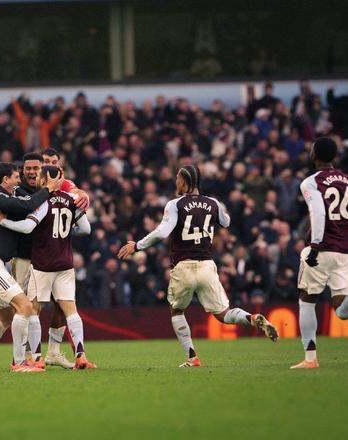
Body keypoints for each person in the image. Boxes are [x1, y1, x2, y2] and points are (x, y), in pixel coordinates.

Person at [118, 165, 279, 368]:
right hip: (206, 266)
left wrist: (137, 245)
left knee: (177, 310)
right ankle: (252, 317)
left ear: (184, 182)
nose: (176, 182)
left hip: (183, 266)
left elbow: (162, 232)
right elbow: (226, 222)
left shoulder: (175, 204)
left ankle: (192, 356)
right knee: (224, 314)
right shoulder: (213, 203)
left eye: (178, 178)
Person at [0, 165, 96, 369]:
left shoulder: (43, 202)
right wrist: (65, 234)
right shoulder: (72, 200)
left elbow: (27, 227)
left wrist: (3, 221)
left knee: (33, 309)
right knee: (71, 310)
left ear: (43, 181)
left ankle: (37, 358)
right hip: (65, 264)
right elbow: (86, 229)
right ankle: (81, 356)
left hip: (43, 264)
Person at [0, 162, 61, 373]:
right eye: (16, 177)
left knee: (7, 316)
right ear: (5, 179)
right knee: (25, 306)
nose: (19, 181)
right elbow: (25, 206)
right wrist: (48, 189)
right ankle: (19, 362)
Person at [292, 137, 348, 369]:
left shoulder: (311, 182)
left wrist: (315, 246)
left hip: (322, 248)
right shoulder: (346, 180)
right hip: (344, 251)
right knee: (342, 311)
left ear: (314, 154)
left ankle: (310, 358)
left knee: (307, 299)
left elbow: (318, 213)